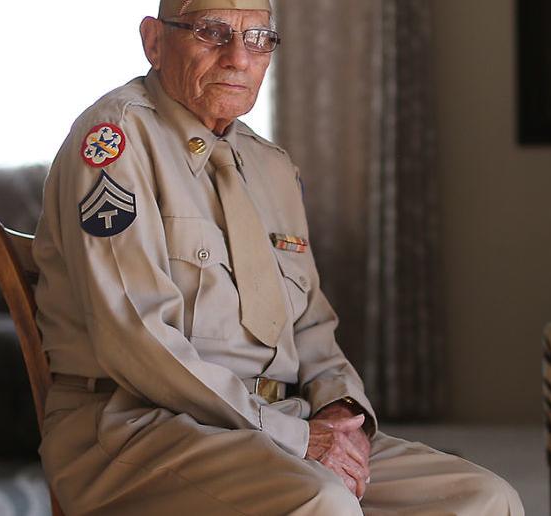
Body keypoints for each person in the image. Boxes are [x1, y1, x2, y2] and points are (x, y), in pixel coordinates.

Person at [32, 0, 524, 514]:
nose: (238, 58)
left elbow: (310, 326)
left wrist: (339, 412)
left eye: (258, 38)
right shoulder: (115, 142)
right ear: (154, 41)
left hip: (276, 423)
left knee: (484, 499)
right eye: (212, 32)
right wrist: (293, 435)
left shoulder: (271, 167)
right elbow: (137, 338)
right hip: (133, 428)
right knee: (322, 502)